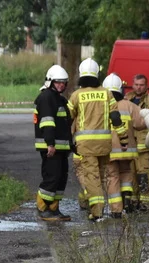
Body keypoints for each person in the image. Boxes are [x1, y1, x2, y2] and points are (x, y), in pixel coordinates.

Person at [67, 58, 122, 221]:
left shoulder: (76, 95)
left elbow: (68, 119)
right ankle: (104, 208)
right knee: (103, 175)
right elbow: (115, 117)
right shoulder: (107, 93)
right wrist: (124, 138)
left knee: (92, 177)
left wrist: (69, 141)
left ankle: (97, 212)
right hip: (105, 144)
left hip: (86, 146)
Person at [34, 65, 73, 221]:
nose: (61, 85)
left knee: (61, 177)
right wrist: (50, 144)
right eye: (58, 82)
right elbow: (47, 123)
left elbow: (65, 125)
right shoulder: (46, 97)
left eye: (63, 83)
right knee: (52, 177)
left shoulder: (60, 99)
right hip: (51, 147)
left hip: (61, 147)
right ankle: (43, 208)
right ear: (50, 82)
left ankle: (54, 209)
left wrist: (70, 145)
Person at [103, 73, 146, 214]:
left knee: (112, 176)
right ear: (120, 89)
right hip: (127, 148)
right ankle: (127, 201)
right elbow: (141, 123)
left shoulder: (102, 106)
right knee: (126, 172)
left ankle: (116, 210)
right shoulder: (129, 105)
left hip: (109, 149)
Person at [125, 73, 149, 209]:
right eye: (136, 85)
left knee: (144, 177)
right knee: (131, 177)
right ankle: (133, 203)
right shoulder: (127, 99)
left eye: (141, 85)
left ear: (146, 86)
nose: (139, 88)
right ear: (132, 84)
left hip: (145, 146)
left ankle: (145, 204)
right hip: (130, 145)